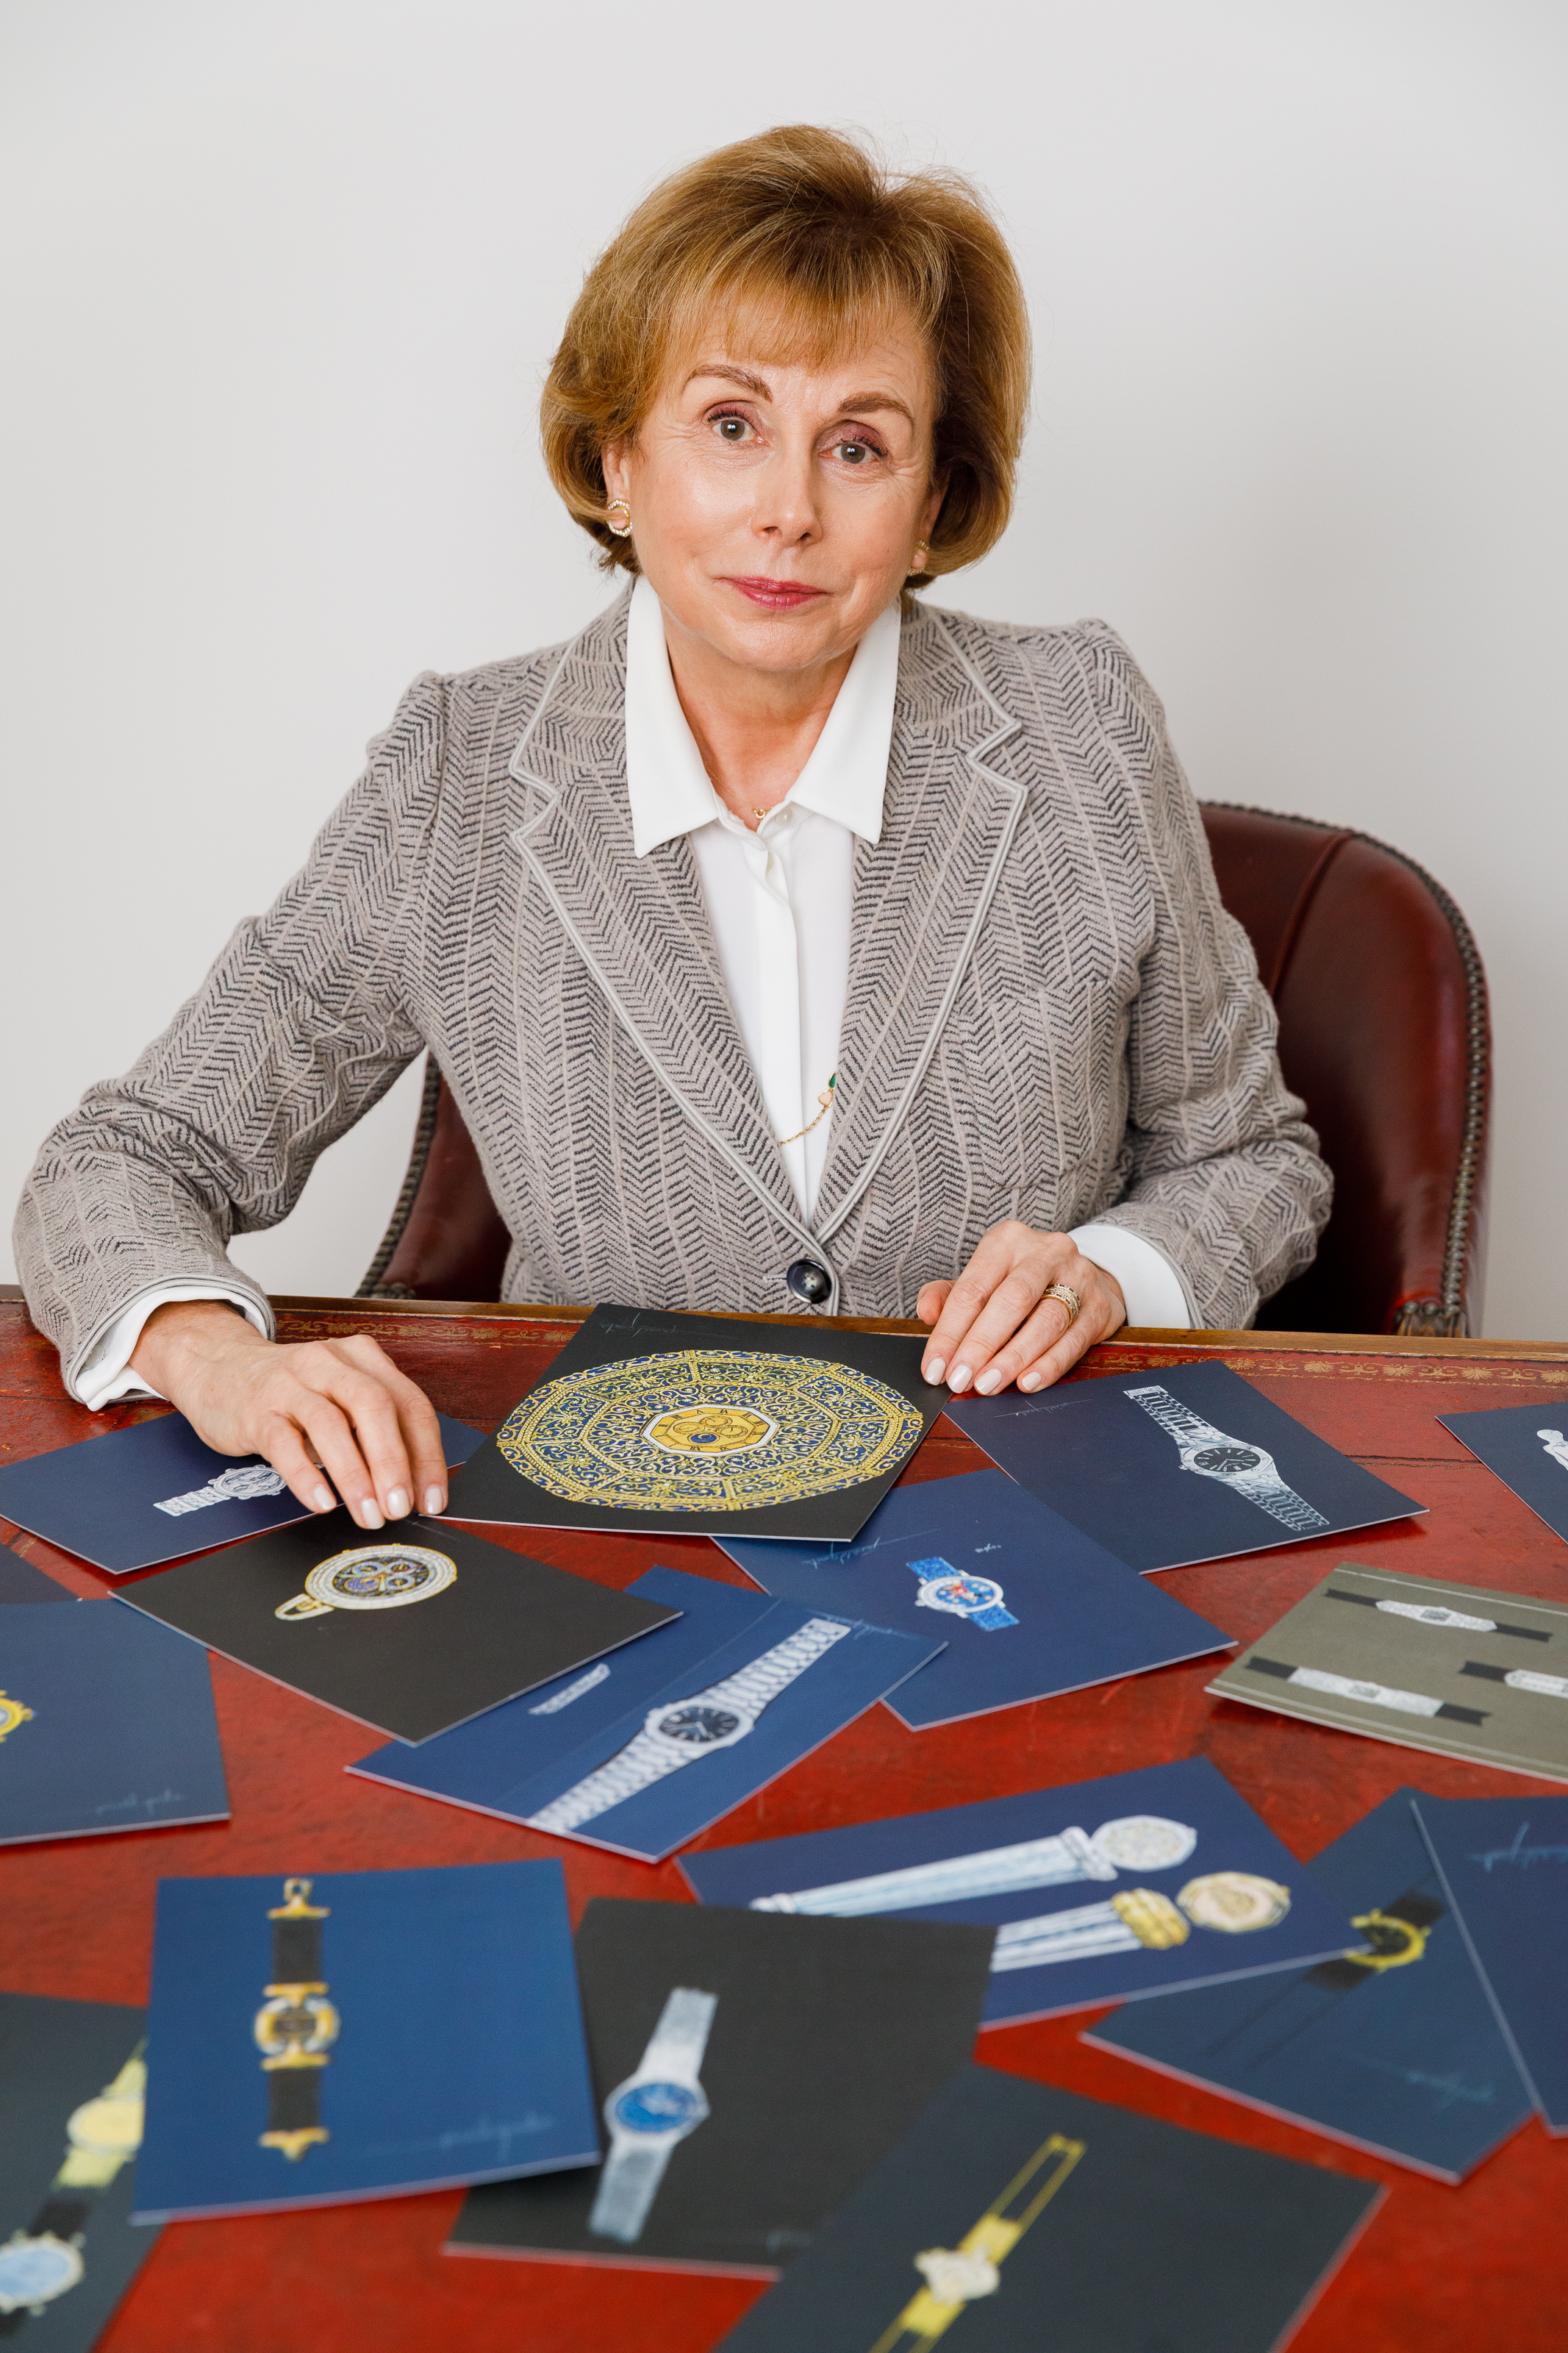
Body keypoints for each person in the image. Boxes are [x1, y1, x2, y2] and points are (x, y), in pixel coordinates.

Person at [15, 125, 1330, 1536]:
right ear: (616, 461)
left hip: (1018, 1514)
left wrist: (1116, 1269)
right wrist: (215, 1357)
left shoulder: (1079, 727)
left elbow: (1254, 1161)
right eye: (728, 425)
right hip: (616, 1551)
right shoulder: (461, 776)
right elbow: (123, 1161)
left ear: (935, 496)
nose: (788, 512)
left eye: (859, 445)